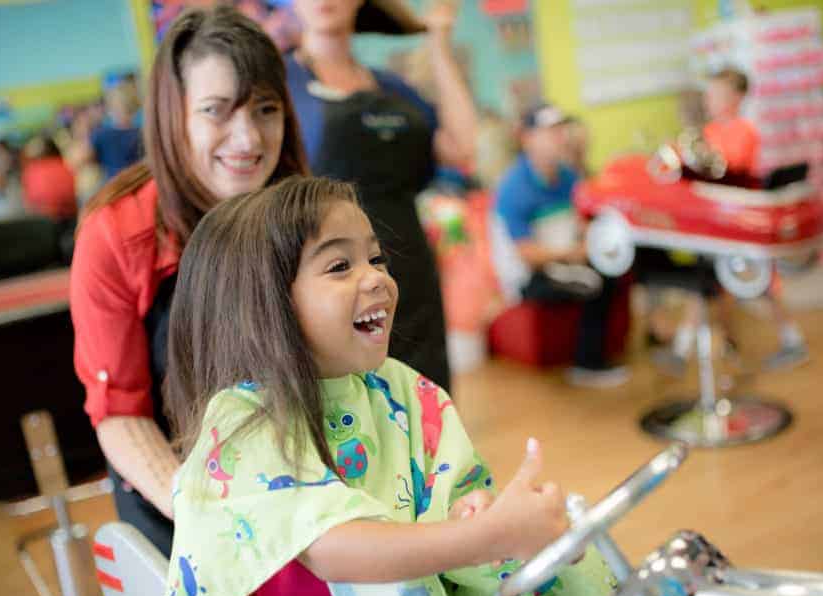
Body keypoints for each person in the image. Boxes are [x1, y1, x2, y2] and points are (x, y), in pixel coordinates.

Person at [159, 176, 616, 596]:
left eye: (375, 259)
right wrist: (487, 535)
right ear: (260, 306)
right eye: (340, 266)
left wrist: (474, 512)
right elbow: (333, 548)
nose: (376, 278)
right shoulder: (246, 421)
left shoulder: (402, 389)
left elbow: (449, 488)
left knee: (572, 573)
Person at [69, 5, 307, 557]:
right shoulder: (116, 235)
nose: (247, 139)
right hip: (180, 505)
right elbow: (121, 416)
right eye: (216, 112)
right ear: (174, 116)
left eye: (266, 110)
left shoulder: (303, 212)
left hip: (303, 485)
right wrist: (207, 516)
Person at [285, 0, 478, 392]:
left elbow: (463, 145)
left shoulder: (391, 87)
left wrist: (438, 41)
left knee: (427, 406)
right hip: (331, 283)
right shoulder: (279, 83)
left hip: (410, 271)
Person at [491, 103, 629, 387]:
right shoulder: (513, 187)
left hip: (564, 262)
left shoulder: (567, 177)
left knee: (616, 268)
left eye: (560, 130)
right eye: (550, 131)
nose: (560, 137)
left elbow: (582, 220)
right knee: (594, 283)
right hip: (529, 276)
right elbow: (526, 254)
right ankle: (586, 364)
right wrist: (574, 253)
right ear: (527, 138)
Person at [702, 67, 807, 369]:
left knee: (761, 282)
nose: (709, 99)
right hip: (718, 217)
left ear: (735, 97)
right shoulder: (710, 131)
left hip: (741, 217)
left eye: (716, 94)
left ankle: (792, 340)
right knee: (719, 284)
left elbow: (730, 168)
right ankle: (729, 343)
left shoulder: (744, 130)